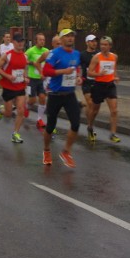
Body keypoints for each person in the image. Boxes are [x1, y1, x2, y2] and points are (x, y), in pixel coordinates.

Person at [41, 29, 83, 167]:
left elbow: (77, 68)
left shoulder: (76, 54)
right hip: (55, 94)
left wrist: (78, 77)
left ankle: (66, 152)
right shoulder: (55, 53)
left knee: (76, 124)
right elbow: (46, 71)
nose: (70, 38)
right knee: (50, 126)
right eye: (67, 36)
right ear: (61, 39)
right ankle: (47, 150)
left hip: (70, 94)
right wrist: (63, 71)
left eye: (72, 36)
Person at [0, 33, 28, 143]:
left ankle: (15, 133)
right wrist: (7, 76)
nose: (20, 43)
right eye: (18, 41)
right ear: (13, 42)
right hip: (8, 87)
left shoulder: (25, 56)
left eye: (22, 41)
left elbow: (23, 70)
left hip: (20, 86)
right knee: (8, 114)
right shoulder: (7, 55)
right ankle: (1, 110)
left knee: (21, 110)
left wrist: (25, 77)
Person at [87, 36, 121, 143]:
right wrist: (98, 74)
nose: (103, 46)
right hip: (99, 86)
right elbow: (89, 73)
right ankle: (90, 127)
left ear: (110, 46)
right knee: (95, 110)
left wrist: (115, 76)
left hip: (110, 86)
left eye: (105, 44)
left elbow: (113, 69)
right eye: (101, 44)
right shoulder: (96, 57)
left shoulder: (114, 57)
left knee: (114, 111)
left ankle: (113, 134)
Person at [24, 32, 49, 129]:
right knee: (32, 100)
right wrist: (31, 62)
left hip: (42, 79)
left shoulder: (46, 51)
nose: (42, 41)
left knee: (42, 98)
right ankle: (27, 106)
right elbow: (23, 60)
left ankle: (39, 119)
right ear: (36, 41)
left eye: (43, 40)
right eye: (40, 40)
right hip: (32, 79)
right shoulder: (30, 51)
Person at [81, 34, 99, 141]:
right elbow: (76, 66)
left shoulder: (99, 54)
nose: (94, 43)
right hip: (86, 83)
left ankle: (89, 125)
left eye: (95, 41)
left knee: (95, 109)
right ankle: (90, 128)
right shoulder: (82, 55)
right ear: (87, 42)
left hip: (97, 83)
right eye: (92, 41)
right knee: (91, 104)